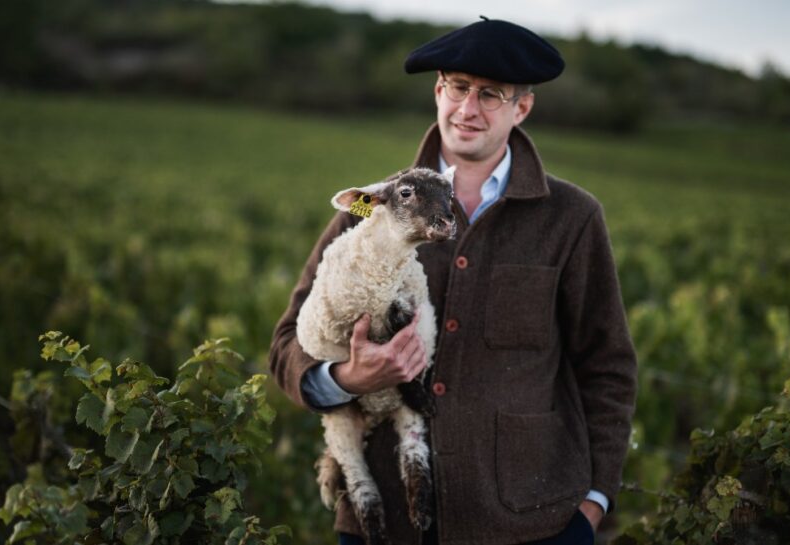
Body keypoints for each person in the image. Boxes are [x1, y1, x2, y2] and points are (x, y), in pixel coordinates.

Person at [269, 17, 637, 545]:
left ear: (522, 108)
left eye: (491, 95)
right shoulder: (371, 211)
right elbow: (286, 347)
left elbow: (608, 365)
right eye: (459, 88)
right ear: (439, 91)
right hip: (384, 524)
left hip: (530, 523)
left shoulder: (572, 219)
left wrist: (594, 503)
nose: (468, 109)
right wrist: (347, 377)